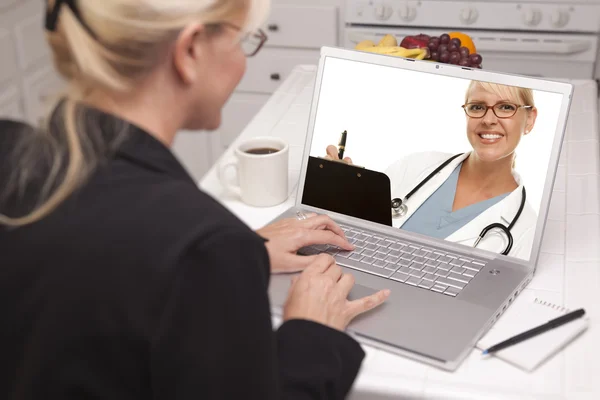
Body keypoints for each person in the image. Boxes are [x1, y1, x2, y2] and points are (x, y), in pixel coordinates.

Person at [0, 1, 391, 399]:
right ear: (189, 51)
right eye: (243, 41)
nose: (243, 61)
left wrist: (238, 252)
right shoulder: (204, 247)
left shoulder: (9, 152)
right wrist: (313, 333)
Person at [325, 80, 539, 260]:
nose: (488, 119)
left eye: (505, 107)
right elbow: (356, 236)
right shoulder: (415, 166)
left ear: (529, 119)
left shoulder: (526, 230)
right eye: (477, 107)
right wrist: (343, 193)